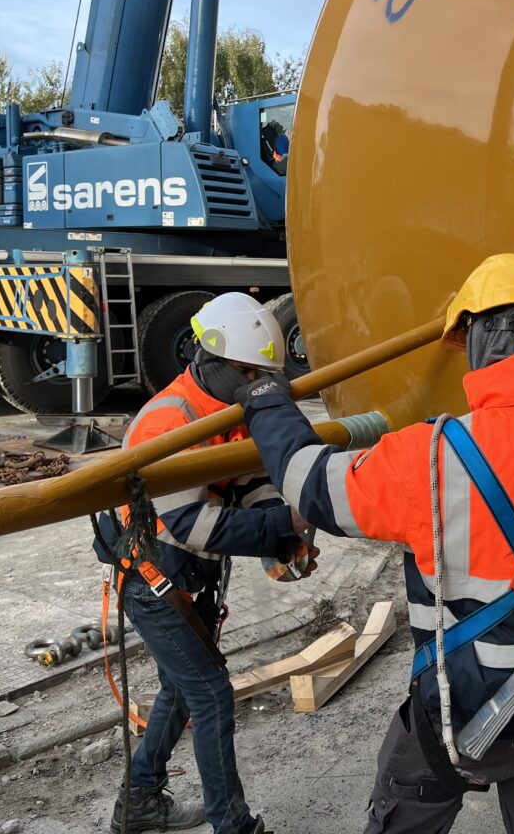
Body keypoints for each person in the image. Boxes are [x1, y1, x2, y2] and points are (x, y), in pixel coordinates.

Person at [235, 254, 514, 833]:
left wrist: (265, 395)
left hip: (451, 709)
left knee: (405, 814)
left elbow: (310, 485)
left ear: (478, 341)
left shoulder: (430, 457)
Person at [95, 292, 315, 834]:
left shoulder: (227, 409)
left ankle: (139, 804)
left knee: (181, 687)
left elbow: (251, 478)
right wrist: (284, 527)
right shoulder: (168, 422)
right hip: (153, 580)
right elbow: (193, 525)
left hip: (182, 579)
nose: (255, 385)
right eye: (246, 372)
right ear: (212, 359)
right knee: (211, 693)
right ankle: (233, 825)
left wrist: (280, 536)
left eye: (261, 374)